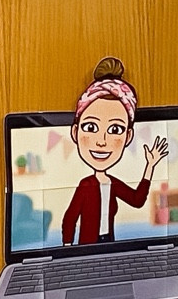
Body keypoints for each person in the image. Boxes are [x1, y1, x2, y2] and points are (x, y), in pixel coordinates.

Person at [60, 73, 168, 245]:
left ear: (128, 136)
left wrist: (150, 165)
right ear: (75, 132)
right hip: (87, 250)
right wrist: (67, 250)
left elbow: (137, 200)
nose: (102, 142)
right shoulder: (85, 185)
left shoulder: (113, 184)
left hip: (109, 245)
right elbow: (69, 218)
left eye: (115, 130)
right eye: (90, 127)